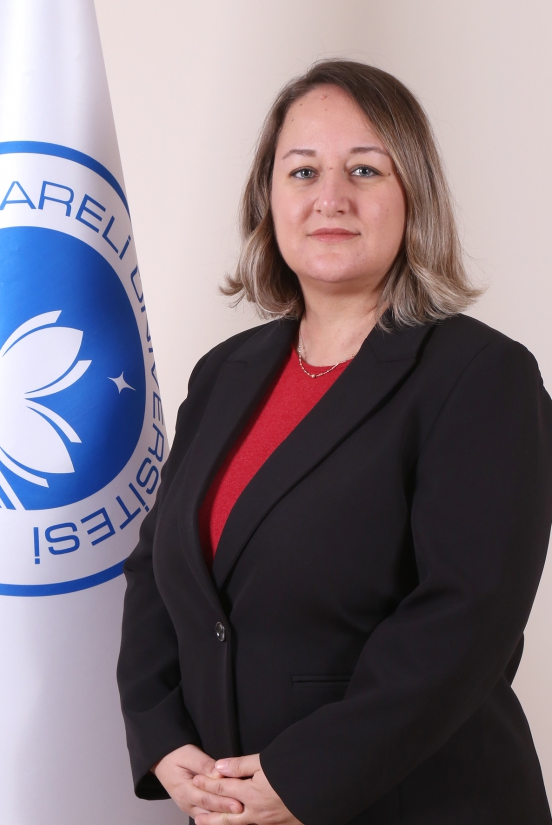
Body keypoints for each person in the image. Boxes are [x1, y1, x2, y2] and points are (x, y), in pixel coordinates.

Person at [116, 59, 552, 825]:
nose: (330, 197)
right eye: (302, 171)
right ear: (268, 199)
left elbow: (464, 621)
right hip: (231, 805)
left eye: (363, 169)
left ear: (413, 194)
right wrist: (161, 736)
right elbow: (158, 568)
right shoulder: (224, 374)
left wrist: (300, 776)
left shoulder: (482, 376)